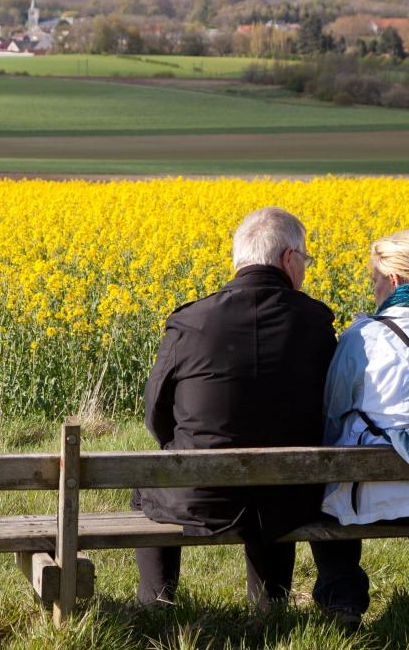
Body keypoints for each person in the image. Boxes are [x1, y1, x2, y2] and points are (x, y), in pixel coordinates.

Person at [134, 206, 364, 615]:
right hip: (296, 497)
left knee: (149, 482)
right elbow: (333, 407)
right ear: (288, 259)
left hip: (202, 495)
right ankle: (270, 604)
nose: (305, 269)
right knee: (275, 483)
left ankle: (156, 603)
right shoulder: (315, 323)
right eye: (305, 260)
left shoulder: (190, 322)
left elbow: (156, 412)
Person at [321, 230, 409, 529]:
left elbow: (332, 414)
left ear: (394, 279)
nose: (374, 291)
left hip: (381, 498)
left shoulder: (364, 337)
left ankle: (340, 577)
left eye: (375, 281)